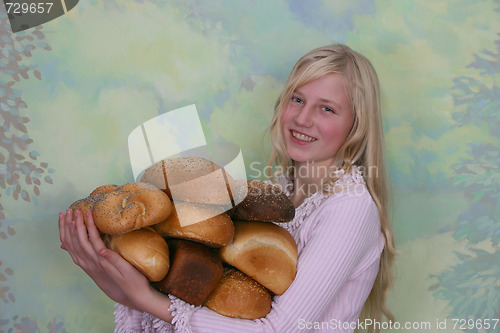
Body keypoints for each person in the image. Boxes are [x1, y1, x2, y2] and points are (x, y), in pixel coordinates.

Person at [59, 43, 396, 332]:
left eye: (326, 108)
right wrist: (117, 280)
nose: (302, 118)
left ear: (356, 125)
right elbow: (223, 302)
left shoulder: (350, 206)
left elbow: (280, 329)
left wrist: (145, 299)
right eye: (297, 99)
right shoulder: (273, 193)